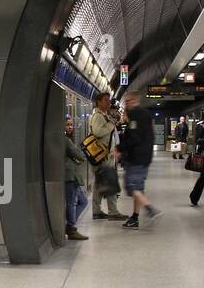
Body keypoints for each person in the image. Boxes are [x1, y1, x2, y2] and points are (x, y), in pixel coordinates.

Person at [118, 92, 162, 229]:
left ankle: (151, 210)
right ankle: (135, 218)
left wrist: (119, 148)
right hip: (145, 157)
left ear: (135, 100)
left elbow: (134, 137)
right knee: (139, 188)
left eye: (128, 101)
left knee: (132, 186)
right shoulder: (147, 114)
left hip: (136, 157)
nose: (126, 104)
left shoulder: (135, 114)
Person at [88, 92, 125, 221]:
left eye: (109, 101)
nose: (108, 103)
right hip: (103, 157)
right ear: (98, 102)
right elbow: (98, 132)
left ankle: (97, 211)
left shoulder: (103, 115)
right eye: (106, 100)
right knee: (110, 185)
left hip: (104, 156)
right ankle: (113, 212)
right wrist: (111, 125)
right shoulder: (98, 116)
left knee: (99, 185)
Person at [63, 118, 89, 240]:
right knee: (72, 202)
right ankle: (71, 228)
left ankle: (68, 225)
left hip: (73, 176)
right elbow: (79, 155)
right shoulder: (66, 140)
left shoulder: (69, 140)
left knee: (83, 201)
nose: (70, 127)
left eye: (71, 125)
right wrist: (80, 155)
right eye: (67, 125)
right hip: (70, 176)